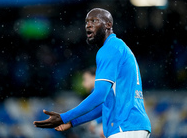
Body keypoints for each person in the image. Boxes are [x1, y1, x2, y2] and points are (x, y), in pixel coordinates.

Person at [33, 8, 151, 138]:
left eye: (94, 21)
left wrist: (64, 117)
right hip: (134, 126)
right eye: (86, 22)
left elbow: (99, 96)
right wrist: (72, 122)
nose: (88, 25)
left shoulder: (109, 49)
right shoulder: (118, 47)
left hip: (124, 127)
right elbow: (104, 106)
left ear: (108, 25)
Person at [82, 67, 104, 138]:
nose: (83, 84)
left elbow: (105, 109)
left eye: (85, 79)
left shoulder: (99, 91)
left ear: (94, 77)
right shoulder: (97, 91)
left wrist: (95, 123)